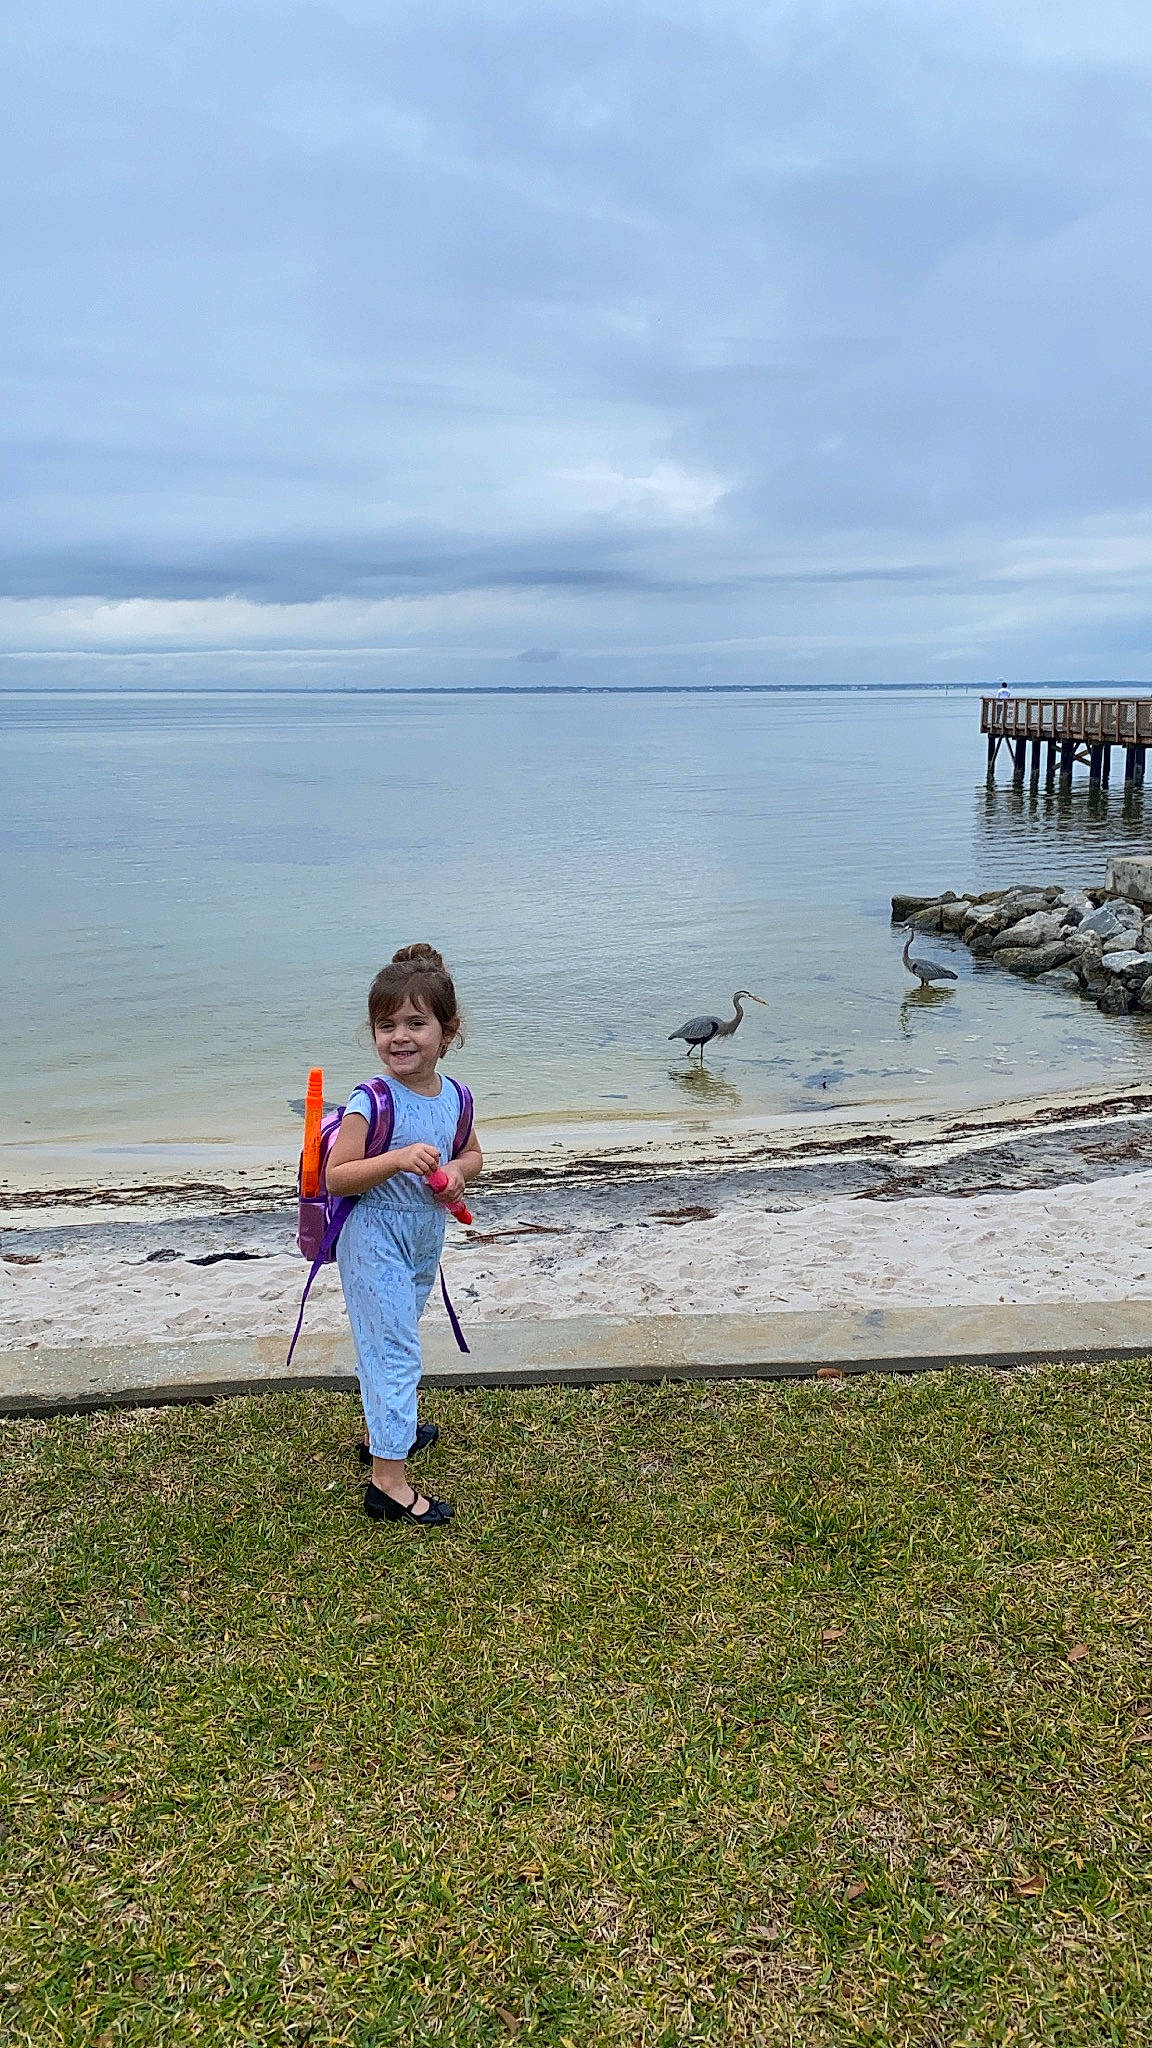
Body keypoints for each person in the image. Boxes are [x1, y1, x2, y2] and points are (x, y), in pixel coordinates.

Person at [325, 944, 483, 1528]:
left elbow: (471, 1152)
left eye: (415, 1023)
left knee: (390, 1337)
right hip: (371, 1235)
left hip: (424, 1237)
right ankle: (387, 1483)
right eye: (385, 1025)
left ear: (448, 1031)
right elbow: (336, 1176)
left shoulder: (456, 1096)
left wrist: (458, 1178)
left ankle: (381, 1431)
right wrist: (393, 1160)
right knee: (395, 1350)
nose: (399, 1036)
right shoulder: (372, 1099)